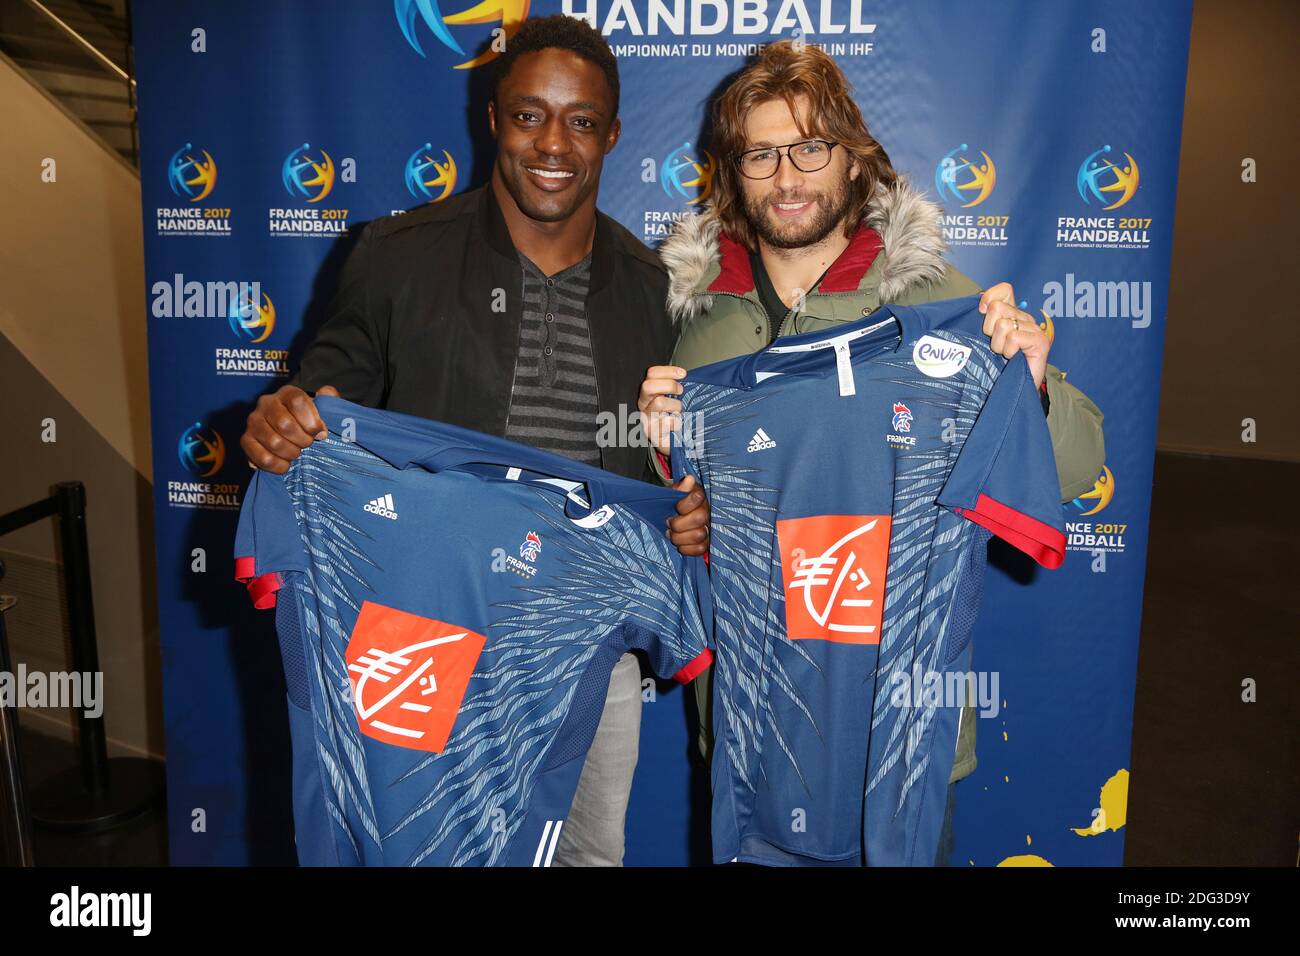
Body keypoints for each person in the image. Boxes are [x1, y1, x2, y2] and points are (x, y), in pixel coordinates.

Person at [240, 15, 708, 867]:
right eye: (530, 115)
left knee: (585, 858)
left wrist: (686, 514)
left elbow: (669, 463)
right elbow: (326, 395)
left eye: (580, 120)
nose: (553, 143)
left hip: (581, 646)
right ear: (493, 119)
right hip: (427, 619)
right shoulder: (395, 257)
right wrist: (289, 419)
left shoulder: (656, 289)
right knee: (409, 848)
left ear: (611, 133)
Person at [637, 41, 1106, 865]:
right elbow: (689, 525)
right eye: (760, 154)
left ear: (854, 163)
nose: (787, 176)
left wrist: (1027, 389)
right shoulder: (701, 329)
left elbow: (1074, 470)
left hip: (895, 736)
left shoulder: (934, 302)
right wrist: (673, 481)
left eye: (810, 148)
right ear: (732, 174)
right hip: (752, 729)